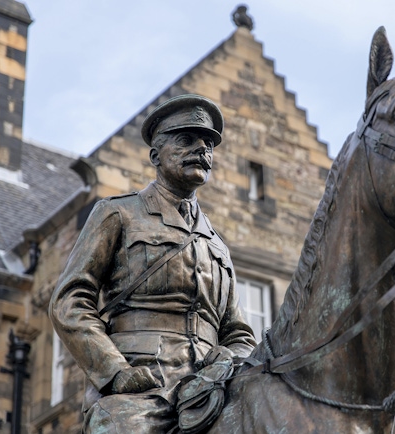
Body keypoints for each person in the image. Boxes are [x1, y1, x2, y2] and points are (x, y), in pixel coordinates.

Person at [49, 94, 256, 433]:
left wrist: (232, 358)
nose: (202, 150)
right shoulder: (117, 213)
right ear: (155, 156)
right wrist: (115, 371)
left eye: (208, 144)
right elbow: (70, 301)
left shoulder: (217, 244)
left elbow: (238, 332)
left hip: (209, 388)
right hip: (143, 386)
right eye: (187, 140)